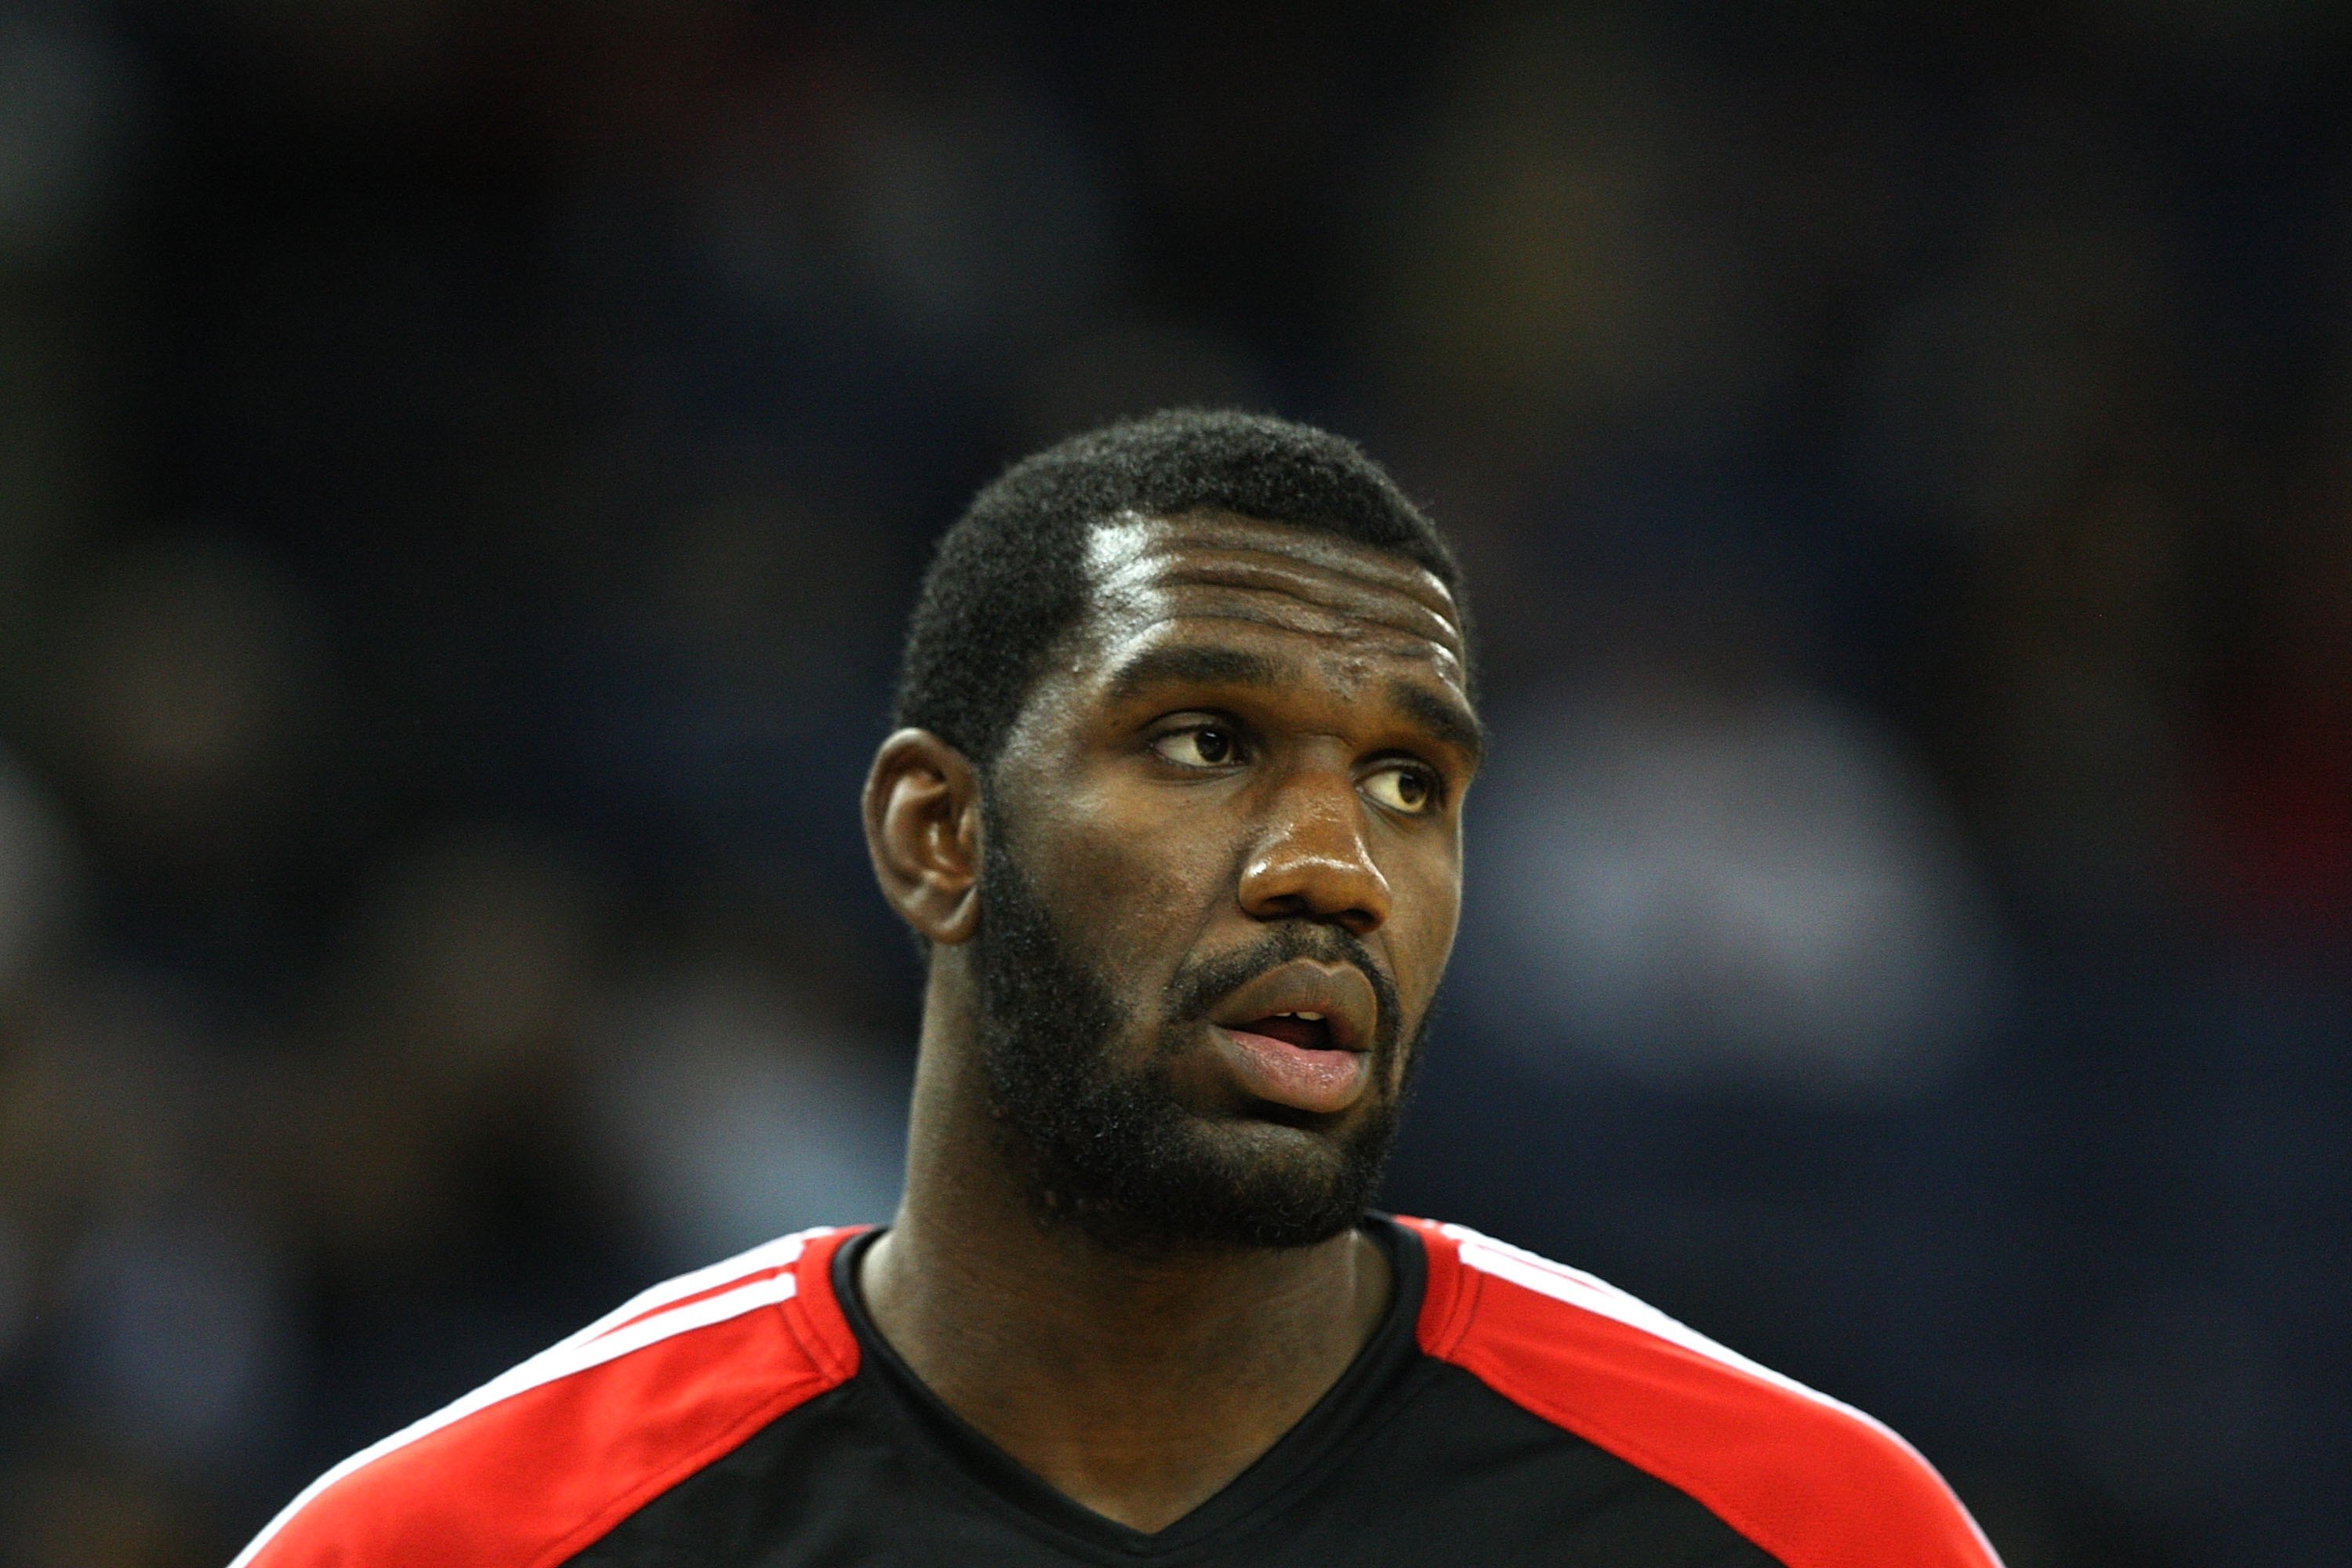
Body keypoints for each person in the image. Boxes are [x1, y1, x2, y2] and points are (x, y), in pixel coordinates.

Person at [230, 412, 2000, 1566]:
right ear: (939, 835)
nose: (1336, 865)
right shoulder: (461, 1542)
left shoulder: (1806, 1530)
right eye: (1206, 741)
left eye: (1411, 783)